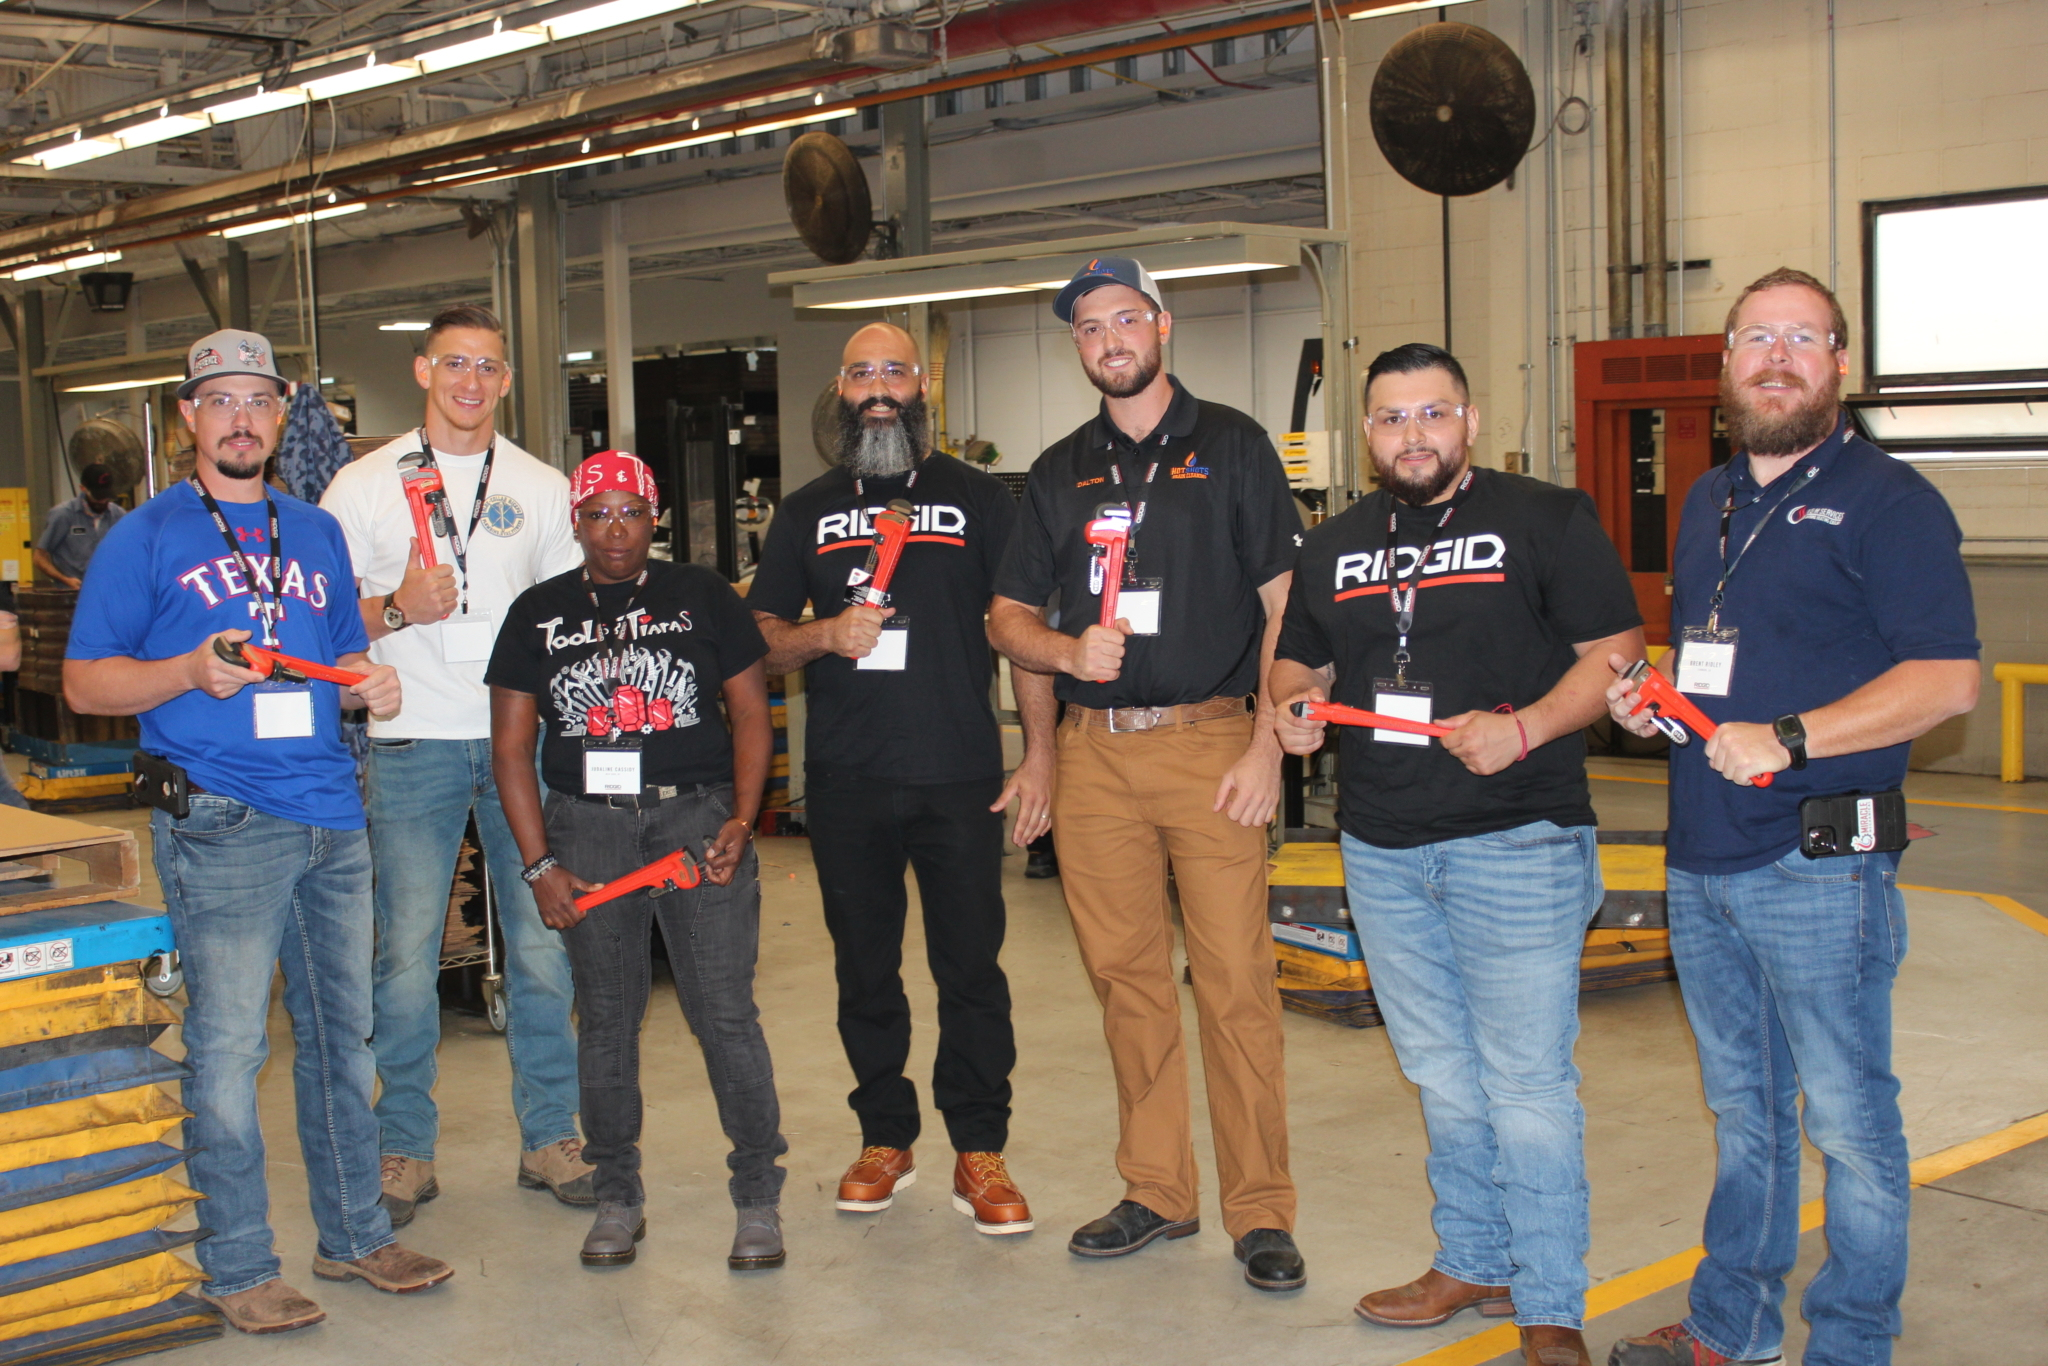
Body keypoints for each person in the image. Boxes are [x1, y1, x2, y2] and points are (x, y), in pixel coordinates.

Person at [1603, 269, 1979, 1366]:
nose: (1777, 356)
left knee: (1848, 1122)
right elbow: (1721, 654)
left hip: (1818, 863)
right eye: (1755, 337)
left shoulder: (1889, 501)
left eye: (1802, 339)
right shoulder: (1708, 498)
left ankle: (1851, 1343)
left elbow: (1948, 679)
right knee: (1745, 1111)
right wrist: (1654, 702)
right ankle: (1734, 1327)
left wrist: (1792, 736)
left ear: (1839, 365)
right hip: (1701, 854)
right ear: (1725, 363)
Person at [63, 329, 451, 1334]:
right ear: (188, 417)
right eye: (220, 401)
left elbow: (342, 659)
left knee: (343, 1043)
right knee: (230, 1050)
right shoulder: (144, 537)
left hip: (332, 817)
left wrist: (370, 685)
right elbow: (85, 683)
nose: (241, 419)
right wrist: (189, 671)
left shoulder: (313, 532)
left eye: (258, 400)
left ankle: (356, 1233)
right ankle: (238, 1264)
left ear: (282, 415)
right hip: (222, 823)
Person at [1272, 342, 1644, 1366]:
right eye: (1392, 418)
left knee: (1526, 1081)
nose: (1413, 435)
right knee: (1439, 1070)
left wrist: (1524, 728)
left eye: (1432, 413)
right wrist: (1291, 706)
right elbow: (1298, 658)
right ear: (1367, 433)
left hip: (1517, 838)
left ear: (1469, 421)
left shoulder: (1545, 518)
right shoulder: (1334, 543)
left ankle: (1550, 1300)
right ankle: (1472, 1259)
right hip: (1382, 848)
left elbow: (1617, 655)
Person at [988, 256, 1305, 1291]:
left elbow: (1284, 604)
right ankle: (1158, 1190)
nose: (1108, 339)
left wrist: (1266, 743)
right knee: (1126, 984)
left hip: (1210, 744)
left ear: (1161, 326)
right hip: (1094, 757)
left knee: (1234, 984)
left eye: (1124, 318)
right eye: (1088, 326)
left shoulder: (1234, 446)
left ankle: (1260, 1209)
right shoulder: (1056, 471)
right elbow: (1008, 619)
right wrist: (1054, 699)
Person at [748, 322, 1054, 1236]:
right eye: (861, 373)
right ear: (839, 390)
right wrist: (824, 634)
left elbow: (1022, 631)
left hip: (960, 774)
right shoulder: (805, 509)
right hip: (847, 779)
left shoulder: (980, 499)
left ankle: (980, 1147)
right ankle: (886, 1137)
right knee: (864, 971)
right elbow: (758, 640)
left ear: (924, 386)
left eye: (894, 371)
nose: (878, 387)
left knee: (972, 969)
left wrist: (1042, 753)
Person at [320, 302, 589, 1227]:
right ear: (423, 372)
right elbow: (319, 624)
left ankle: (551, 1136)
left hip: (524, 744)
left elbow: (567, 618)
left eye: (487, 366)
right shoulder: (361, 487)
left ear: (506, 380)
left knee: (543, 945)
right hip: (412, 745)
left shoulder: (542, 488)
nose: (471, 380)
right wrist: (398, 608)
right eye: (454, 363)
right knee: (404, 956)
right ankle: (405, 1147)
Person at [487, 450, 788, 1271]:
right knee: (608, 1018)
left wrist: (742, 817)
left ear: (654, 519)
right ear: (575, 522)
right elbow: (510, 748)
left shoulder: (702, 594)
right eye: (597, 513)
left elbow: (750, 712)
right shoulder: (537, 612)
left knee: (723, 1011)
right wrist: (539, 865)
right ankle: (617, 1194)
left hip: (695, 823)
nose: (614, 529)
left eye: (630, 512)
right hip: (587, 831)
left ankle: (757, 1196)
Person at [34, 461, 125, 589]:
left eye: (106, 496)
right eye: (98, 496)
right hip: (72, 593)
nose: (103, 501)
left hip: (107, 590)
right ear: (83, 488)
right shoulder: (63, 515)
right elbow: (39, 558)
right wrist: (65, 580)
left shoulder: (118, 515)